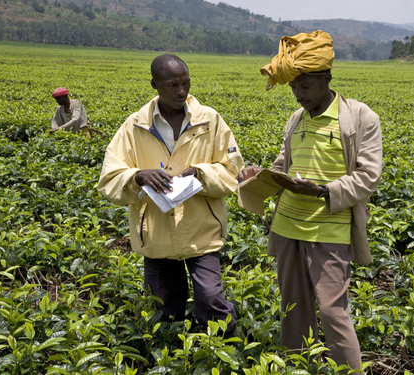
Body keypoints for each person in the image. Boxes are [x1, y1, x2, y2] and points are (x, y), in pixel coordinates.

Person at [238, 31, 382, 371]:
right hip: (288, 225)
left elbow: (367, 176)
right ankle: (297, 365)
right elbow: (282, 166)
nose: (299, 95)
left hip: (329, 229)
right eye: (293, 88)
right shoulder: (295, 120)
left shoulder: (360, 118)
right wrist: (259, 174)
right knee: (293, 306)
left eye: (306, 86)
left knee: (333, 311)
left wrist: (321, 191)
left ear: (327, 78)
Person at [97, 54, 243, 333]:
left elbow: (233, 172)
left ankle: (231, 355)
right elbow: (109, 179)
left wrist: (200, 173)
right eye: (172, 84)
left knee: (212, 301)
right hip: (156, 235)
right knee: (164, 308)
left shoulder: (210, 121)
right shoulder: (135, 125)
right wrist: (138, 176)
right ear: (154, 84)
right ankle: (173, 357)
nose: (181, 91)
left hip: (202, 231)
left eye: (186, 83)